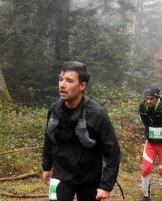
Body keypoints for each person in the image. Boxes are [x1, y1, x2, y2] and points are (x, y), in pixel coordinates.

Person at [42, 61, 122, 201]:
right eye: (61, 79)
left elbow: (113, 152)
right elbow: (49, 139)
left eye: (69, 81)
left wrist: (106, 185)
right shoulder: (54, 109)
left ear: (82, 86)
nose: (62, 85)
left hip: (89, 180)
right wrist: (47, 166)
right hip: (59, 177)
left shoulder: (97, 113)